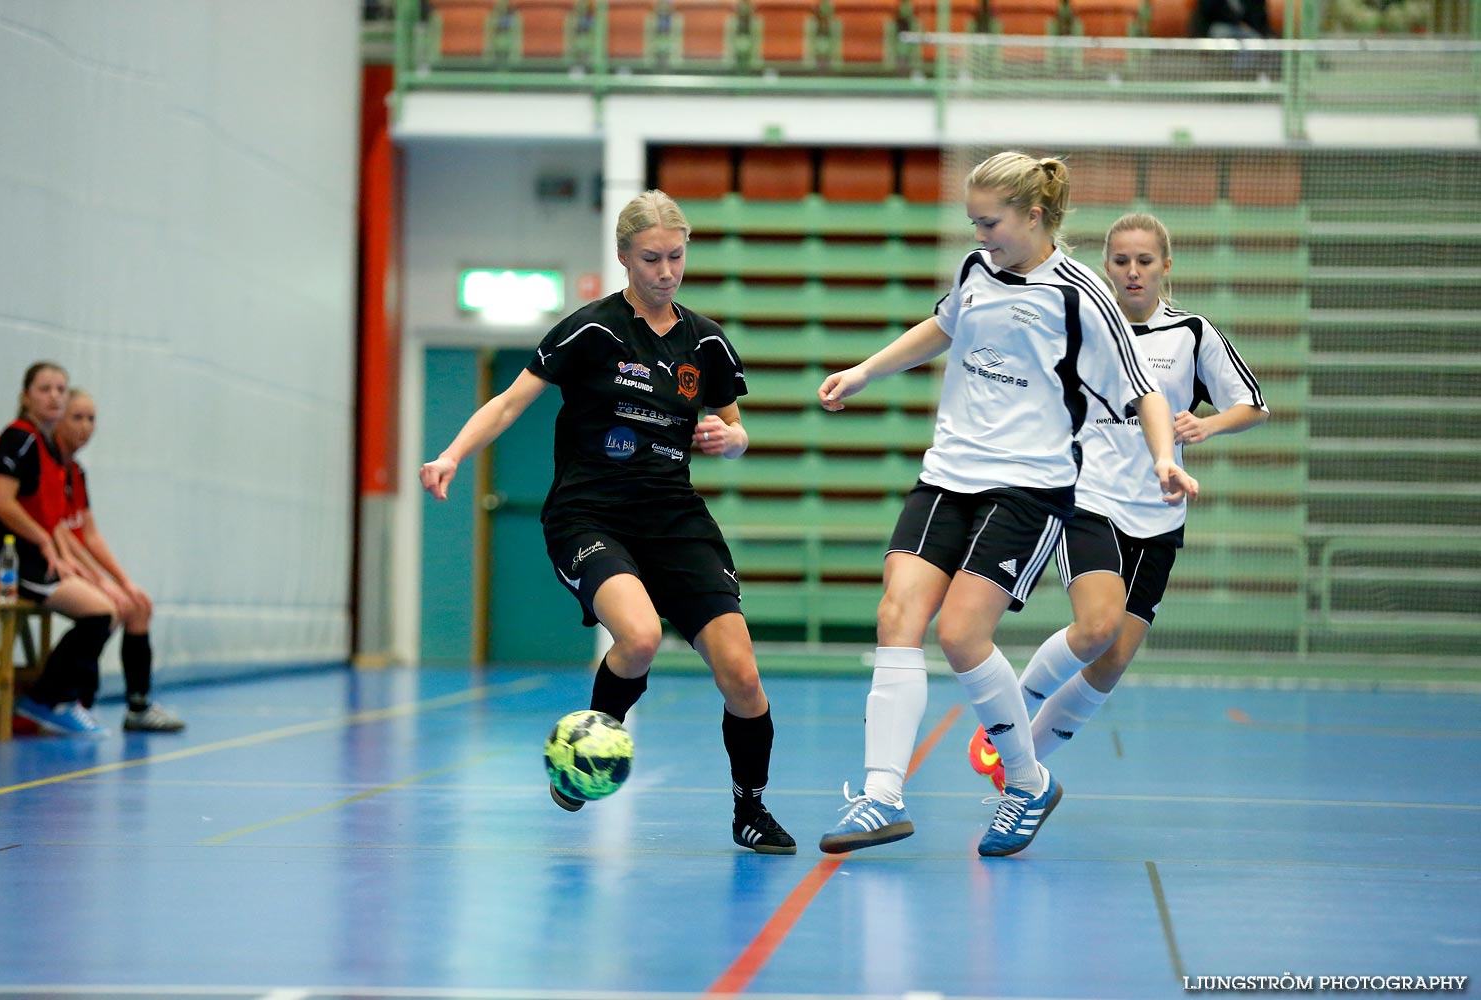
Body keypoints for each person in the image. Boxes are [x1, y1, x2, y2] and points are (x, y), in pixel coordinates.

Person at [815, 152, 1199, 858]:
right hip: (948, 473)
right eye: (973, 221)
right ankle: (881, 796)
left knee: (962, 635)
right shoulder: (974, 270)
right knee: (897, 611)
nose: (980, 233)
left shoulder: (1082, 294)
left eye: (990, 222)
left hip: (1028, 486)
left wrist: (1164, 457)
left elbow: (1144, 389)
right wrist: (868, 369)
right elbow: (945, 325)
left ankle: (1026, 782)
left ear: (1033, 216)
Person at [420, 190, 796, 855]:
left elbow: (737, 431)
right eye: (651, 258)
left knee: (741, 674)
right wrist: (452, 454)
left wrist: (726, 439)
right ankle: (585, 748)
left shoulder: (705, 341)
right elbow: (509, 404)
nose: (666, 271)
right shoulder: (591, 330)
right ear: (624, 257)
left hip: (675, 519)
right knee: (642, 636)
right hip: (589, 514)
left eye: (676, 257)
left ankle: (751, 808)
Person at [969, 213, 1267, 791]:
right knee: (1097, 626)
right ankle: (1007, 716)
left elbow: (1251, 404)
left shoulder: (1193, 334)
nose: (1133, 272)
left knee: (1113, 659)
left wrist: (1208, 427)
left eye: (1145, 261)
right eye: (1122, 261)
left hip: (1158, 511)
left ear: (1166, 266)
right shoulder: (1080, 324)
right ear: (1106, 266)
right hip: (1088, 498)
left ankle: (1019, 768)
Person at [0, 362, 113, 735]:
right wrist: (43, 543)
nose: (54, 396)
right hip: (4, 556)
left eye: (60, 388)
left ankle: (65, 699)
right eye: (45, 389)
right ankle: (49, 700)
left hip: (32, 556)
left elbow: (52, 519)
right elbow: (1, 501)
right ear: (25, 397)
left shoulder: (49, 450)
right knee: (99, 612)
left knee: (107, 606)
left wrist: (70, 559)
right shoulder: (19, 438)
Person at [51, 388, 185, 731]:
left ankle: (138, 706)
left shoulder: (75, 473)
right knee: (111, 607)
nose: (85, 427)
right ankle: (68, 695)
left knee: (138, 603)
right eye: (77, 417)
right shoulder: (47, 466)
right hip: (47, 562)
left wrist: (123, 581)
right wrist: (101, 582)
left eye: (91, 419)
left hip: (71, 560)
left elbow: (89, 535)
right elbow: (55, 530)